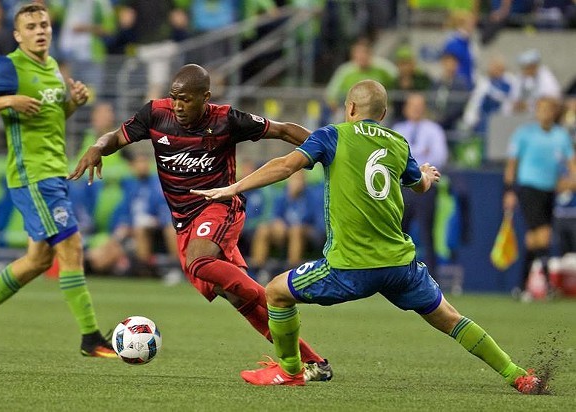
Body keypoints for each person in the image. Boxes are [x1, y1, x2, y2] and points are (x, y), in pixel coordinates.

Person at [191, 79, 541, 394]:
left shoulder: (333, 135)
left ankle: (290, 370)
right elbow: (419, 184)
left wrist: (234, 187)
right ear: (384, 113)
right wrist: (429, 178)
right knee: (450, 318)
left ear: (351, 109)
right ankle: (516, 374)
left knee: (276, 293)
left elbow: (287, 165)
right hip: (399, 264)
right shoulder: (399, 143)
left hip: (350, 266)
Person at [69, 63, 333, 382]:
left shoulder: (227, 119)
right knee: (237, 299)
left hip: (221, 205)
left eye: (187, 100)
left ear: (205, 98)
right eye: (174, 98)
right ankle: (312, 361)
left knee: (199, 262)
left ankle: (277, 296)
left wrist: (330, 153)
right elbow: (116, 136)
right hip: (183, 221)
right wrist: (98, 148)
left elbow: (285, 129)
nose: (178, 106)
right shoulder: (155, 114)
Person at [0, 3, 116, 359]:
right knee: (71, 248)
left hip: (53, 171)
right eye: (31, 26)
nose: (40, 30)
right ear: (18, 35)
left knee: (38, 260)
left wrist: (73, 103)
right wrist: (8, 99)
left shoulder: (52, 66)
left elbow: (52, 116)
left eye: (44, 24)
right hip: (33, 175)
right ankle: (91, 337)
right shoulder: (8, 66)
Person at [503, 97, 576, 301]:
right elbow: (512, 165)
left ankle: (522, 286)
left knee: (533, 239)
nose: (545, 113)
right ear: (536, 111)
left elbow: (572, 165)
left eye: (549, 109)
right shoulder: (524, 134)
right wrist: (509, 190)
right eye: (541, 109)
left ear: (554, 112)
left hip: (549, 191)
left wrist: (570, 181)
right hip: (529, 188)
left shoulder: (561, 136)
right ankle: (547, 285)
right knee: (544, 235)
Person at [392, 93, 448, 276]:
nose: (416, 109)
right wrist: (421, 155)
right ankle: (396, 275)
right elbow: (392, 157)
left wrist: (414, 165)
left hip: (427, 187)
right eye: (412, 105)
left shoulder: (434, 130)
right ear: (406, 107)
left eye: (419, 105)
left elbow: (440, 156)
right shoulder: (397, 129)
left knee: (427, 233)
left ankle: (432, 279)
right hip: (402, 187)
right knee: (398, 233)